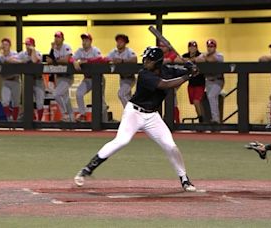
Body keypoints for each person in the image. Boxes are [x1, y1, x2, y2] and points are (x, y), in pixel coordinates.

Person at [74, 46, 198, 192]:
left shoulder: (167, 70)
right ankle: (87, 169)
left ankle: (184, 179)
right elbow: (165, 84)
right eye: (145, 59)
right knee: (121, 141)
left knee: (170, 146)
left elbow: (183, 73)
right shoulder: (144, 74)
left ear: (157, 62)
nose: (145, 62)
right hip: (134, 113)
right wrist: (188, 76)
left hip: (152, 116)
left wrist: (191, 69)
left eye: (149, 60)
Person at [73, 33, 107, 122]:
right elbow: (71, 58)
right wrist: (74, 62)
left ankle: (104, 121)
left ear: (90, 41)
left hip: (98, 78)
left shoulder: (95, 50)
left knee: (101, 100)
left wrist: (85, 61)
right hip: (87, 78)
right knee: (79, 93)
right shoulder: (80, 51)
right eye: (83, 40)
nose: (84, 42)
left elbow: (100, 59)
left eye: (86, 40)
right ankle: (83, 114)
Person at [46, 31, 76, 122]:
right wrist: (52, 50)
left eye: (58, 37)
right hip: (58, 77)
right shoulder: (53, 49)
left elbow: (66, 60)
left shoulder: (66, 46)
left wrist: (55, 61)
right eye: (55, 37)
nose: (56, 39)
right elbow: (48, 60)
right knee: (66, 99)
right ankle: (72, 120)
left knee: (56, 94)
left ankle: (65, 114)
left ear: (62, 39)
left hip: (67, 76)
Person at [0, 38, 21, 121]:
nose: (4, 46)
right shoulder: (0, 56)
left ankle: (15, 121)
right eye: (3, 45)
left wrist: (8, 60)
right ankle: (8, 118)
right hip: (5, 80)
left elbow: (18, 61)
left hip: (15, 80)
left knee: (16, 102)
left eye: (6, 45)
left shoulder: (14, 53)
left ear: (10, 46)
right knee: (5, 101)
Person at [196, 39, 224, 124]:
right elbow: (197, 60)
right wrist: (205, 57)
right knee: (211, 98)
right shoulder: (204, 55)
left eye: (211, 46)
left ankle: (216, 119)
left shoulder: (219, 55)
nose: (209, 48)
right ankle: (215, 119)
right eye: (208, 46)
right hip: (208, 81)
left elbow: (213, 59)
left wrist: (205, 57)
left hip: (218, 80)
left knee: (212, 96)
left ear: (215, 47)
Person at [17, 37, 44, 121]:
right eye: (26, 44)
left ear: (33, 45)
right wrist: (21, 62)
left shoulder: (38, 53)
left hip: (38, 80)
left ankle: (39, 121)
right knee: (27, 102)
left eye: (29, 44)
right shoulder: (22, 54)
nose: (27, 46)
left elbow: (34, 60)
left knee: (40, 102)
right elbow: (12, 59)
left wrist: (33, 51)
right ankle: (31, 118)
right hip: (27, 81)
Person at [107, 34, 138, 107]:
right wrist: (112, 60)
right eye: (118, 41)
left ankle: (130, 112)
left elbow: (134, 59)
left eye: (121, 42)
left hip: (130, 78)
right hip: (122, 78)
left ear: (125, 43)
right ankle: (131, 115)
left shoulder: (129, 51)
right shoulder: (114, 51)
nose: (119, 43)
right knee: (127, 97)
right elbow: (106, 59)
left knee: (121, 94)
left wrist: (122, 61)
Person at [182, 40, 206, 123]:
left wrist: (190, 60)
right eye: (191, 47)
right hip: (191, 83)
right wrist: (190, 60)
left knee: (196, 101)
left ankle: (201, 120)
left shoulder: (200, 55)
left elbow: (202, 59)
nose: (192, 48)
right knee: (195, 102)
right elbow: (179, 60)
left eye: (194, 47)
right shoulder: (185, 55)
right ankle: (203, 118)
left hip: (200, 83)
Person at [159, 41, 181, 124]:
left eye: (164, 46)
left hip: (174, 80)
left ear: (168, 47)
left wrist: (169, 59)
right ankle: (165, 119)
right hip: (162, 81)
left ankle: (176, 121)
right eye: (161, 46)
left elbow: (179, 60)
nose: (162, 47)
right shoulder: (159, 54)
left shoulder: (173, 54)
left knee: (173, 101)